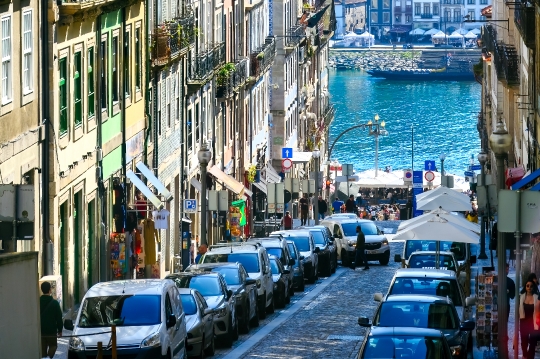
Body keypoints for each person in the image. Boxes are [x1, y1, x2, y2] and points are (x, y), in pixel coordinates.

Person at [40, 281, 63, 359]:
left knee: (42, 349)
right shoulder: (55, 303)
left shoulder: (37, 302)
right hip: (51, 331)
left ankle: (44, 358)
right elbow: (59, 318)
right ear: (50, 290)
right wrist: (60, 330)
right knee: (53, 346)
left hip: (41, 331)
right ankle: (49, 358)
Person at [520, 279, 539, 358]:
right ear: (525, 286)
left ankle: (530, 357)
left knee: (532, 342)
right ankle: (525, 355)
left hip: (533, 322)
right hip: (523, 322)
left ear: (533, 287)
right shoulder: (521, 297)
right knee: (524, 341)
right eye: (527, 286)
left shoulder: (537, 297)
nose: (529, 288)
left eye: (531, 286)